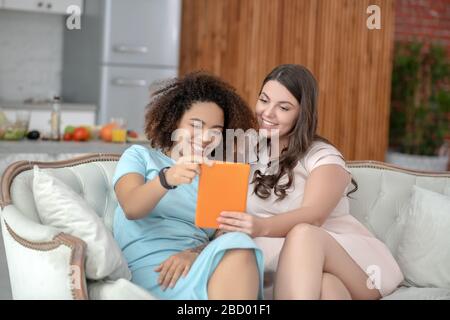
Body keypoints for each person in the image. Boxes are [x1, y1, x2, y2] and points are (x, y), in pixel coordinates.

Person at [217, 64, 404, 300]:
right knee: (328, 289)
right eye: (264, 100)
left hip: (350, 263)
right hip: (301, 270)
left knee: (304, 233)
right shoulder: (247, 148)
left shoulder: (323, 157)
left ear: (302, 113)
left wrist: (259, 226)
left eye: (283, 108)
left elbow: (314, 216)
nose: (268, 113)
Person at [113, 72, 264, 299]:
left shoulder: (218, 174)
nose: (205, 138)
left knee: (240, 243)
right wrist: (167, 179)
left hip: (197, 263)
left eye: (215, 130)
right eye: (196, 125)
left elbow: (223, 235)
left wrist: (193, 254)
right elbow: (132, 208)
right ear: (174, 122)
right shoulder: (141, 157)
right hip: (155, 272)